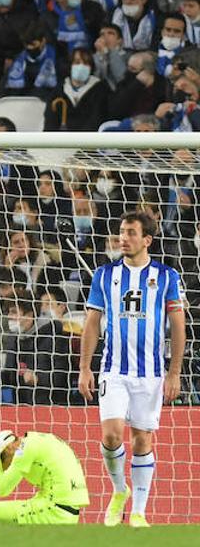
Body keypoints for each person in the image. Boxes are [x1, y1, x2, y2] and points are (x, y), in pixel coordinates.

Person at [78, 211, 184, 528]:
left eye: (131, 233)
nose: (123, 238)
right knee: (111, 435)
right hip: (114, 370)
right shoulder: (104, 274)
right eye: (121, 232)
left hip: (150, 373)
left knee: (142, 440)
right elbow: (92, 323)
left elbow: (178, 326)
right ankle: (119, 491)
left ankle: (138, 511)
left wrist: (174, 372)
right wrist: (85, 368)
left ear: (147, 239)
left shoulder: (166, 277)